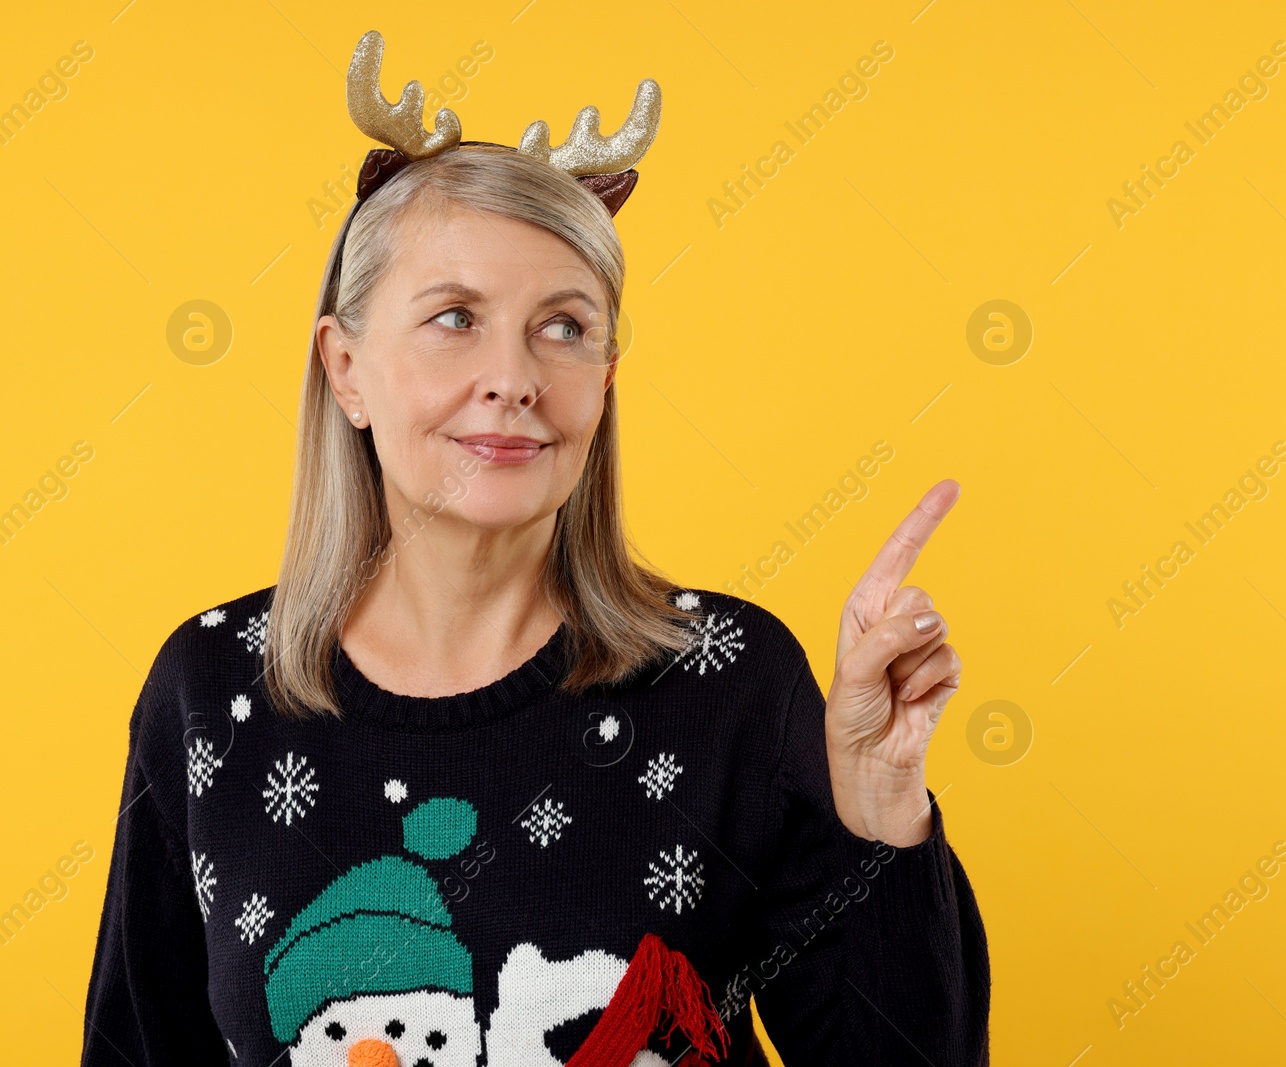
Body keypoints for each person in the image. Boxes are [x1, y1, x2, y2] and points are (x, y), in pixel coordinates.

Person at [81, 30, 989, 1067]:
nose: (513, 376)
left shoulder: (732, 683)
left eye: (563, 327)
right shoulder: (210, 691)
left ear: (604, 378)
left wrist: (879, 808)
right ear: (346, 368)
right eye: (455, 317)